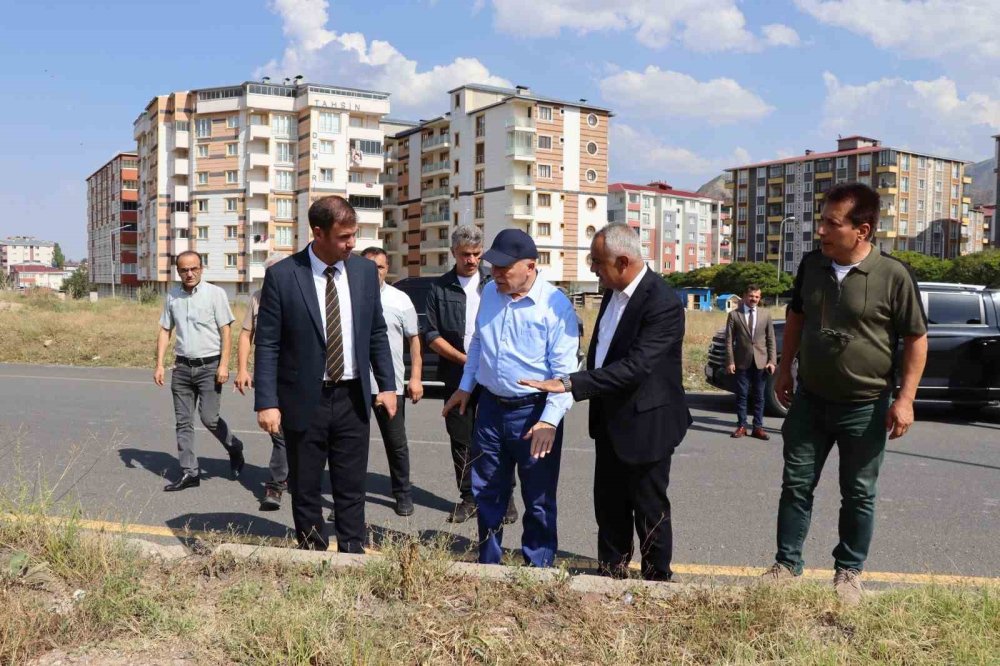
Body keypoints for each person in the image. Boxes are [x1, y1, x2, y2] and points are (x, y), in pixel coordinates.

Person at [763, 182, 928, 605]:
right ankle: (786, 566)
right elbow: (796, 314)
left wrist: (905, 399)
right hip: (811, 401)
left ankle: (849, 573)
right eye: (822, 220)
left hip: (865, 407)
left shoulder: (894, 275)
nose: (821, 231)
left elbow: (915, 339)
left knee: (858, 493)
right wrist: (785, 366)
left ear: (863, 230)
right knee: (795, 485)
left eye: (832, 223)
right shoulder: (811, 266)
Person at [520, 223, 691, 581]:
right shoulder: (614, 292)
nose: (593, 269)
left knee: (649, 508)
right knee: (609, 506)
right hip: (611, 422)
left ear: (623, 261)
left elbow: (636, 367)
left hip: (648, 424)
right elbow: (604, 351)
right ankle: (610, 576)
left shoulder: (662, 303)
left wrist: (569, 383)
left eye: (597, 262)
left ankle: (657, 579)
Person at [253, 196, 396, 552]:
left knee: (351, 483)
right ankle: (313, 553)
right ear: (318, 233)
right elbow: (267, 344)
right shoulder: (284, 276)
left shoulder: (363, 273)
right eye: (345, 237)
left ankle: (352, 549)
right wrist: (266, 402)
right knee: (306, 484)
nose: (352, 244)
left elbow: (377, 331)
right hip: (305, 398)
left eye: (355, 235)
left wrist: (389, 385)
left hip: (352, 397)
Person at [442, 229, 578, 568]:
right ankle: (489, 563)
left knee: (538, 498)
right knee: (487, 489)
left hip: (534, 414)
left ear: (530, 266)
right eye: (494, 266)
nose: (497, 274)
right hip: (490, 408)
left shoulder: (555, 305)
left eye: (505, 268)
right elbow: (477, 345)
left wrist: (549, 420)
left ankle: (539, 568)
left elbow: (565, 375)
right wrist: (465, 386)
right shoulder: (490, 293)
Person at [425, 225, 518, 525]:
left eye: (477, 254)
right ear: (453, 252)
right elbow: (431, 334)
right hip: (457, 376)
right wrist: (468, 361)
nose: (472, 260)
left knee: (498, 439)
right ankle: (469, 498)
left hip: (494, 377)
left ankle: (505, 498)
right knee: (462, 438)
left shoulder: (495, 283)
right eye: (466, 254)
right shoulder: (440, 288)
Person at [154, 251, 244, 491]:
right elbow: (165, 330)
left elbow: (226, 331)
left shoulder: (215, 294)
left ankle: (234, 447)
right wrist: (160, 364)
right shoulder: (172, 296)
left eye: (193, 268)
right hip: (182, 367)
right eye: (184, 270)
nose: (189, 273)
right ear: (178, 272)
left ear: (201, 269)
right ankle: (189, 472)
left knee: (209, 418)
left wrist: (224, 365)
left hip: (210, 367)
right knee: (183, 422)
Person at [360, 246, 422, 517]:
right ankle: (347, 499)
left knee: (396, 444)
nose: (375, 272)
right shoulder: (349, 296)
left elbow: (414, 341)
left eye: (381, 267)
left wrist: (416, 377)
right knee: (350, 447)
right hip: (356, 385)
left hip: (390, 386)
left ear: (387, 269)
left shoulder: (400, 300)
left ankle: (402, 494)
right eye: (369, 266)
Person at [234, 253, 289, 511]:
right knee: (279, 434)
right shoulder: (257, 299)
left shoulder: (301, 294)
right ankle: (276, 485)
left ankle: (286, 479)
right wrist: (242, 369)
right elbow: (246, 336)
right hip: (269, 377)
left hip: (299, 378)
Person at [725, 284, 776, 440]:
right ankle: (741, 426)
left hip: (761, 362)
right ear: (745, 296)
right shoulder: (734, 315)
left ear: (759, 298)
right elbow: (729, 340)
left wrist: (772, 361)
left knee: (759, 396)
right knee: (742, 396)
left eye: (757, 297)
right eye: (751, 296)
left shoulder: (766, 314)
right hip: (741, 361)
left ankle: (758, 428)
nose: (754, 299)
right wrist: (730, 361)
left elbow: (771, 339)